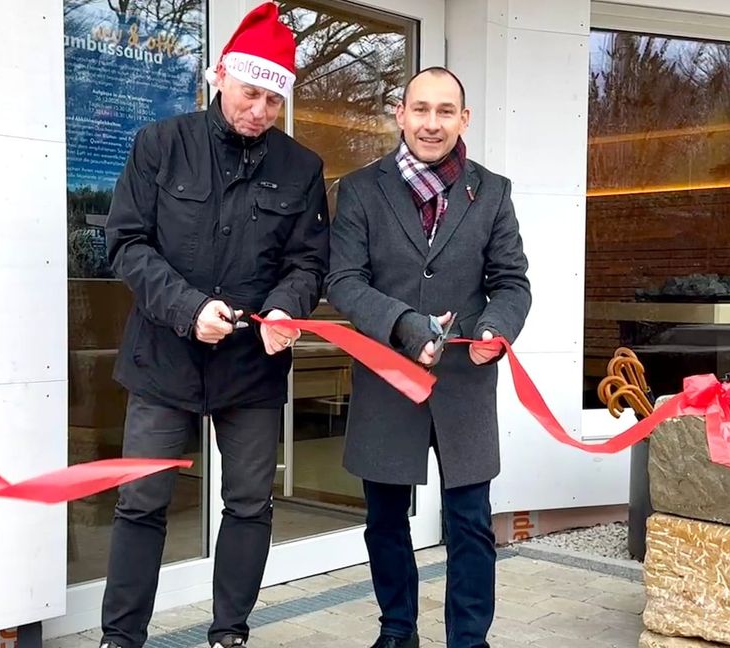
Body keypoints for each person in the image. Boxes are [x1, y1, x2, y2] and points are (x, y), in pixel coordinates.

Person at [98, 4, 329, 647]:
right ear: (220, 76)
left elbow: (309, 263)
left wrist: (286, 306)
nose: (260, 110)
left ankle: (230, 634)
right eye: (250, 93)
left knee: (250, 503)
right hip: (162, 359)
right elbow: (127, 244)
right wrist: (187, 308)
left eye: (274, 100)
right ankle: (121, 638)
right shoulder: (160, 144)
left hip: (252, 367)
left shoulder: (302, 167)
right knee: (141, 502)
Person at [325, 67, 532, 648]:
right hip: (387, 378)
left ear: (464, 119)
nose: (431, 123)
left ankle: (469, 639)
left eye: (445, 111)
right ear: (401, 114)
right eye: (420, 109)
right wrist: (401, 323)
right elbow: (343, 280)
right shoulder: (360, 189)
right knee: (384, 521)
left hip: (465, 382)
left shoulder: (492, 191)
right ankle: (398, 630)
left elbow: (511, 282)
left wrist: (495, 328)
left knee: (470, 522)